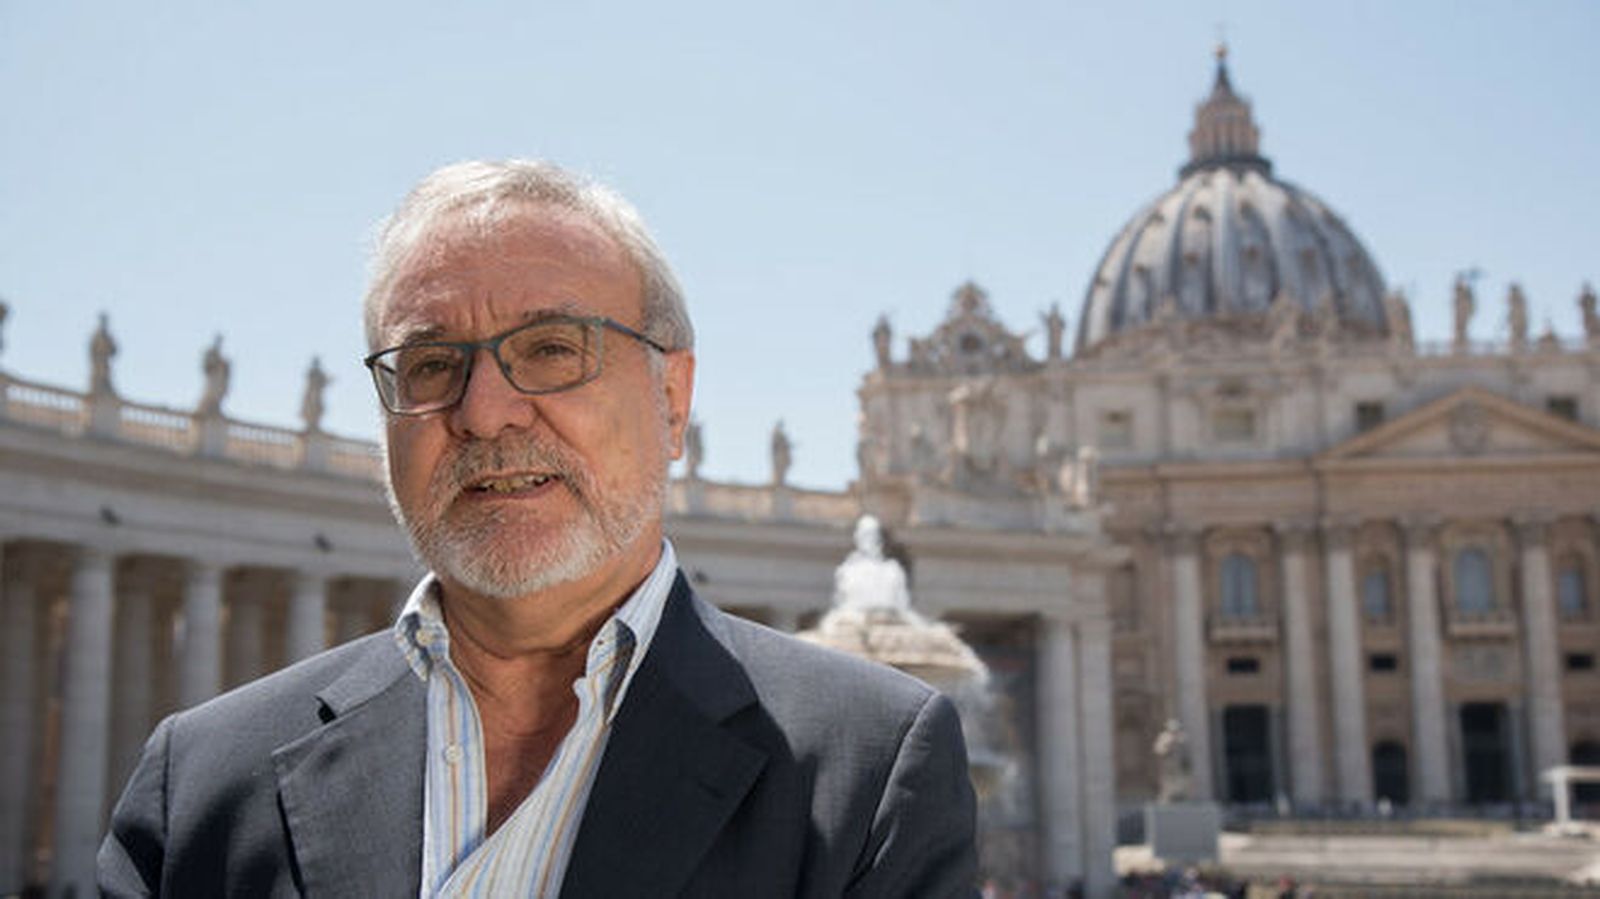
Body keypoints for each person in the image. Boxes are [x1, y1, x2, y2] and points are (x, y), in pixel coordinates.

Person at [98, 160, 977, 897]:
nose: (485, 412)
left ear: (673, 400)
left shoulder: (871, 773)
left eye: (553, 348)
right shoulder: (201, 781)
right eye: (432, 363)